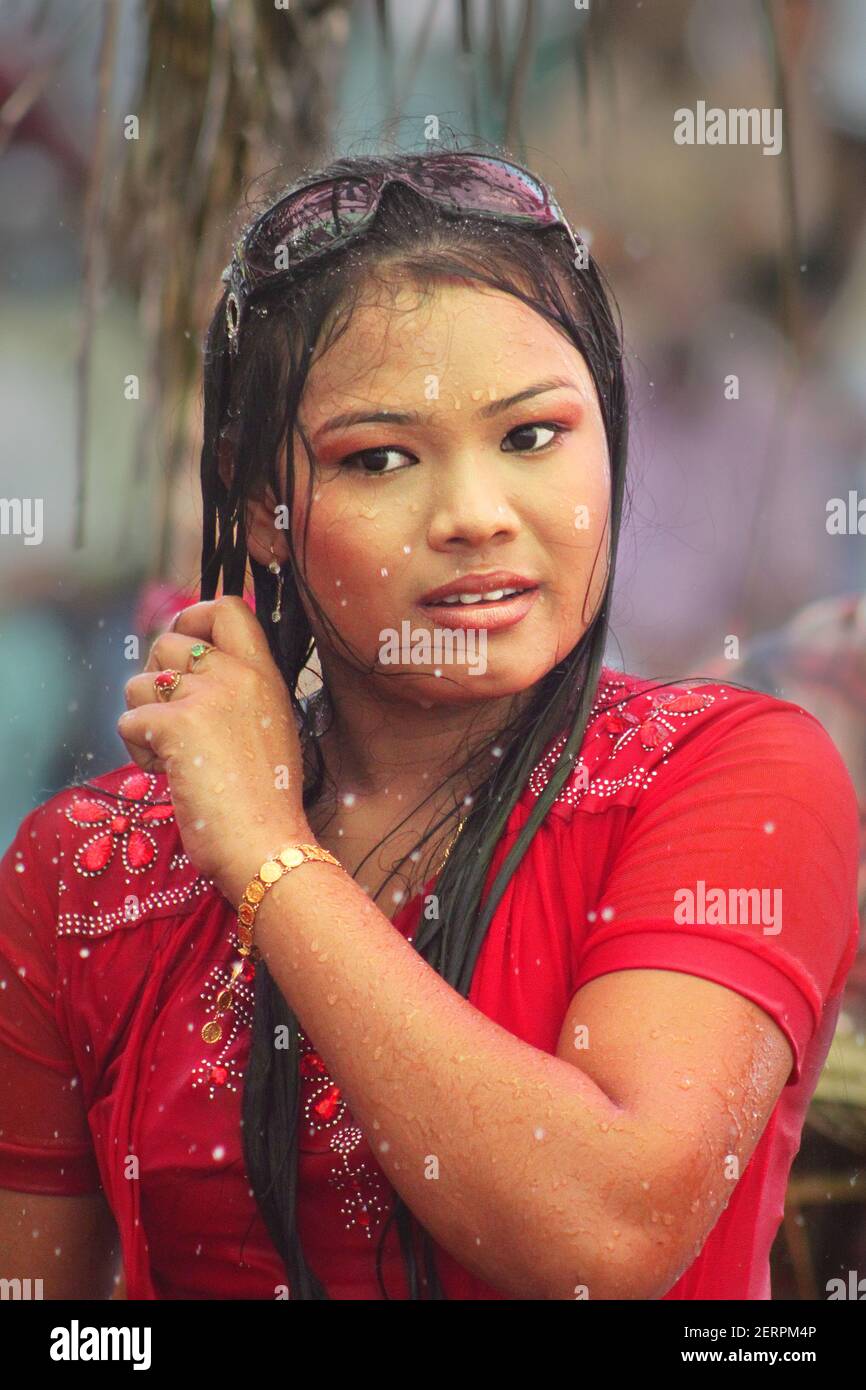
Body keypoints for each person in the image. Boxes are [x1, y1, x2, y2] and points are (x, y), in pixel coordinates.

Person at [0, 149, 859, 1301]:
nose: (472, 515)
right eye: (381, 457)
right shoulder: (83, 870)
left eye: (532, 437)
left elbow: (603, 1235)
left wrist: (265, 850)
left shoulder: (733, 774)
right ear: (261, 507)